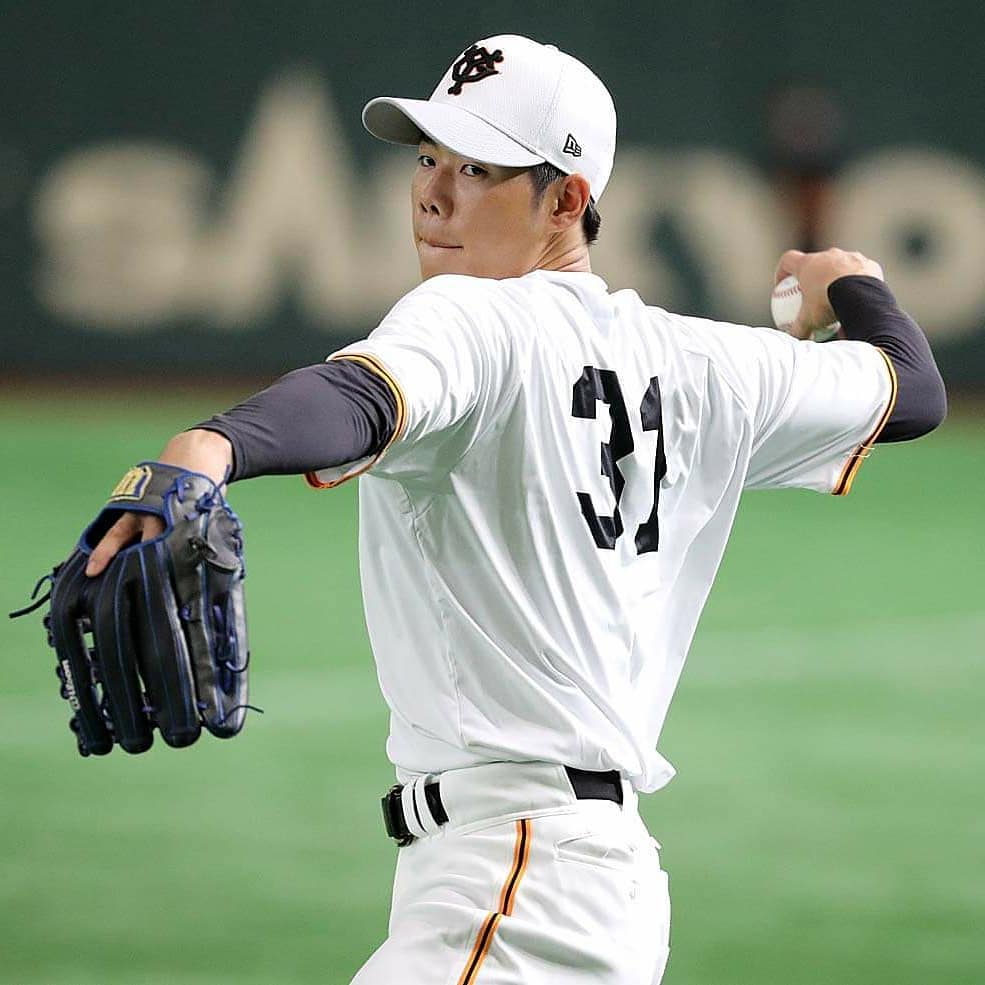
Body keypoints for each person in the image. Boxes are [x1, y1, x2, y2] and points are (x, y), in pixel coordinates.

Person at [84, 35, 946, 985]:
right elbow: (910, 391)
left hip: (517, 880)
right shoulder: (709, 364)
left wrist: (213, 446)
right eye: (426, 159)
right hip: (576, 881)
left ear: (567, 200)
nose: (432, 194)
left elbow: (359, 398)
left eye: (477, 169)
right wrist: (849, 281)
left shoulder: (470, 315)